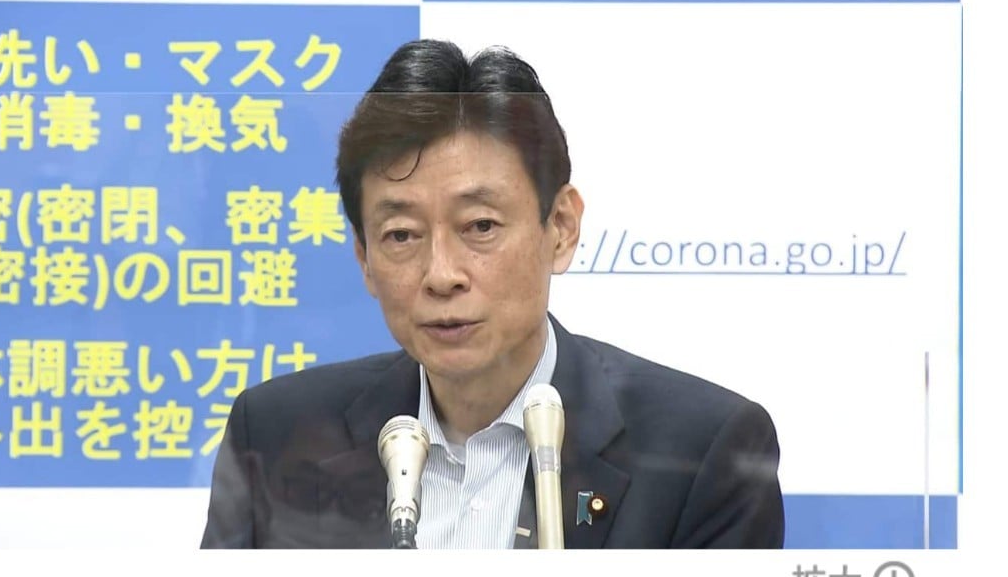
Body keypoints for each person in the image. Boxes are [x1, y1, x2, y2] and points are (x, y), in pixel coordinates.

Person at [200, 39, 785, 549]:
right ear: (364, 257)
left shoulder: (701, 454)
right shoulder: (276, 435)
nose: (441, 274)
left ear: (561, 228)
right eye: (401, 235)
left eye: (480, 226)